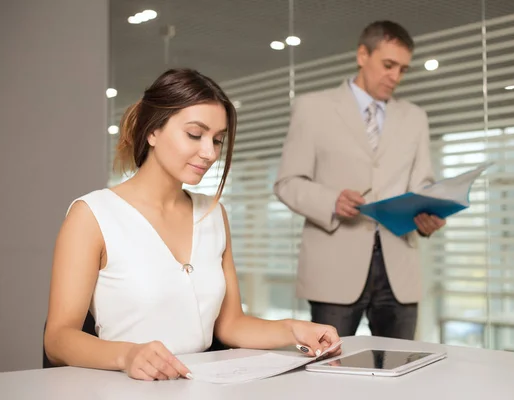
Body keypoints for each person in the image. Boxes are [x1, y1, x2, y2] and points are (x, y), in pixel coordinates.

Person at [44, 68, 340, 381]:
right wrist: (128, 354)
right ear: (153, 132)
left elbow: (230, 325)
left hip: (199, 386)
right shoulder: (92, 215)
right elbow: (58, 339)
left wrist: (296, 329)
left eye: (217, 140)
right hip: (124, 387)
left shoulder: (213, 214)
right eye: (195, 135)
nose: (210, 153)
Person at [274, 21, 446, 340]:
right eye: (388, 65)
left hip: (399, 266)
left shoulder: (415, 117)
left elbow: (422, 183)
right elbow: (287, 182)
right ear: (362, 54)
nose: (395, 76)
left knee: (401, 372)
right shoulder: (313, 108)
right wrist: (330, 200)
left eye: (403, 69)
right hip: (334, 266)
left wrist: (427, 213)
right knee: (331, 375)